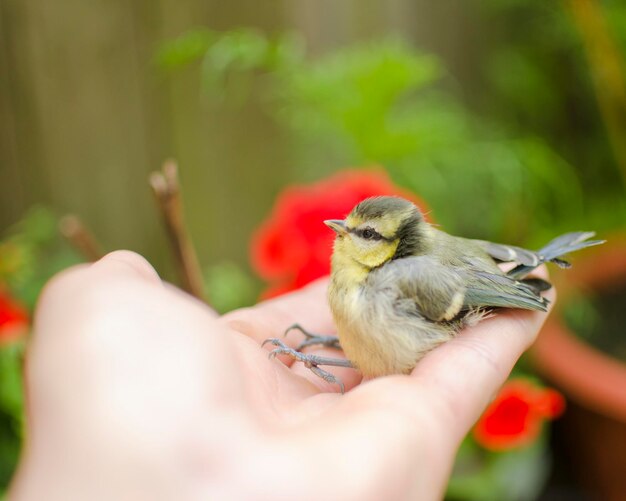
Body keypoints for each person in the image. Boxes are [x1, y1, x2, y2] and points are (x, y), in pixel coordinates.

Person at [9, 250, 554, 501]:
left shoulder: (402, 282)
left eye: (363, 235)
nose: (343, 236)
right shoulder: (351, 283)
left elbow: (393, 350)